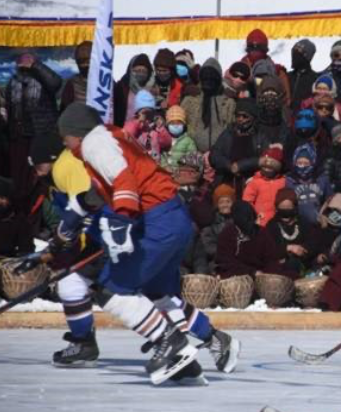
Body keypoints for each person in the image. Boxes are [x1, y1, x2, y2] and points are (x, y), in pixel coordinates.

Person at [47, 103, 240, 384]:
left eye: (65, 135)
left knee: (112, 290)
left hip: (157, 222)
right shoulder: (109, 139)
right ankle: (197, 353)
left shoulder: (93, 143)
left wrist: (120, 221)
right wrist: (69, 223)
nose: (64, 142)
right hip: (171, 218)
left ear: (76, 133)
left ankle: (170, 344)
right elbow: (99, 192)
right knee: (154, 294)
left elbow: (124, 181)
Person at [5, 52, 62, 210]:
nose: (24, 64)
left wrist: (36, 65)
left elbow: (56, 82)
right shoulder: (13, 82)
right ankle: (19, 211)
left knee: (41, 178)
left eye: (28, 61)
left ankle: (44, 212)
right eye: (21, 62)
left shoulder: (44, 81)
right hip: (19, 138)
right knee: (20, 178)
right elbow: (10, 108)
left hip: (41, 136)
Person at [181, 58, 236, 153]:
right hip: (192, 153)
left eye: (213, 78)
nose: (209, 81)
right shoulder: (190, 100)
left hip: (220, 155)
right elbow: (179, 122)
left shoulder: (228, 103)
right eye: (205, 78)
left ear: (218, 80)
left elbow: (232, 128)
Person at [285, 142, 333, 226]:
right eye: (299, 163)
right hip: (297, 224)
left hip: (318, 223)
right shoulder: (289, 180)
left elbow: (330, 199)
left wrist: (324, 214)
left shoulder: (322, 179)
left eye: (306, 163)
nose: (302, 166)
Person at [123, 90, 172, 163]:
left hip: (155, 166)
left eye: (151, 113)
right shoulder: (132, 125)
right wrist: (138, 122)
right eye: (145, 113)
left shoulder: (155, 129)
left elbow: (167, 143)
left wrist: (161, 129)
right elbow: (126, 137)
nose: (148, 117)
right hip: (140, 166)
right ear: (137, 113)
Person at [242, 146, 286, 226]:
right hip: (261, 220)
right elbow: (247, 201)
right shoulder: (255, 182)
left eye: (271, 167)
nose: (267, 169)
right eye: (265, 166)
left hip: (279, 221)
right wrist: (254, 216)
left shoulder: (283, 181)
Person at [113, 54, 154, 127]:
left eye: (143, 71)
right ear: (130, 70)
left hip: (146, 132)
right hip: (125, 130)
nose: (140, 74)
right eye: (137, 70)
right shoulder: (122, 87)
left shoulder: (153, 88)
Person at [160, 105, 197, 174]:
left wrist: (180, 169)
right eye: (172, 123)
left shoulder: (188, 141)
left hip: (180, 175)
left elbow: (192, 159)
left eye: (179, 122)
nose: (176, 125)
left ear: (184, 124)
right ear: (167, 125)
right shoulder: (164, 139)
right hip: (165, 173)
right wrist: (164, 166)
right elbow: (161, 155)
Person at [288, 39, 319, 112]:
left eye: (298, 54)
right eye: (293, 53)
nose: (294, 57)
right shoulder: (287, 77)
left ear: (306, 57)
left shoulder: (315, 80)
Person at [60, 41, 92, 112]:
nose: (85, 64)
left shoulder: (108, 83)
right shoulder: (72, 83)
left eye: (88, 60)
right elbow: (65, 111)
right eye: (81, 61)